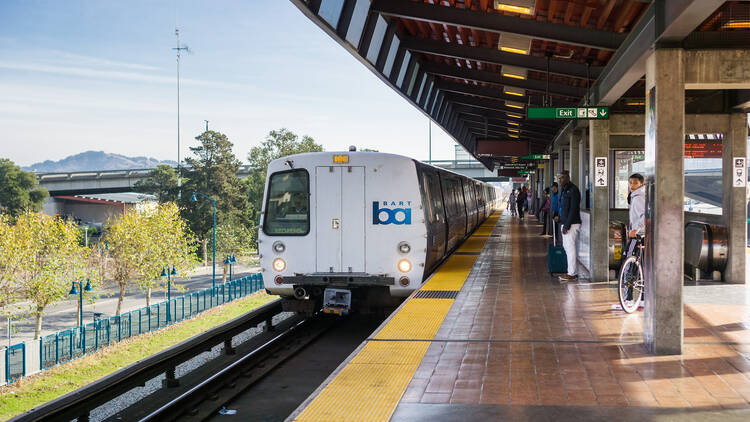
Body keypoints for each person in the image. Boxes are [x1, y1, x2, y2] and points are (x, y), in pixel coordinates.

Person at [557, 170, 582, 282]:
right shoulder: (565, 189)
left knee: (570, 248)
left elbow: (573, 209)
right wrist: (559, 217)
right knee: (567, 248)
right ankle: (571, 271)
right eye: (559, 178)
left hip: (571, 224)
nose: (560, 180)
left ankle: (572, 273)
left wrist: (567, 225)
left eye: (562, 178)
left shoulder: (573, 190)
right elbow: (563, 207)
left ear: (567, 177)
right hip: (566, 222)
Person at [626, 173, 646, 257]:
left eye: (635, 183)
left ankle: (627, 270)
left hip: (638, 234)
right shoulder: (636, 196)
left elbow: (646, 215)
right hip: (640, 233)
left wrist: (636, 229)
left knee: (629, 256)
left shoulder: (638, 197)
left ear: (642, 184)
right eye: (630, 182)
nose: (632, 185)